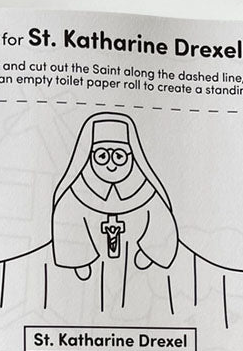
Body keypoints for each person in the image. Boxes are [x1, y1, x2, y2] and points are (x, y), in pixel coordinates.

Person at [51, 112, 177, 281]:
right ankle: (78, 260)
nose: (111, 165)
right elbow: (64, 213)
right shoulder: (80, 188)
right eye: (102, 156)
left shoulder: (143, 188)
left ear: (132, 156)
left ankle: (152, 253)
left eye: (119, 156)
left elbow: (161, 217)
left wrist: (154, 251)